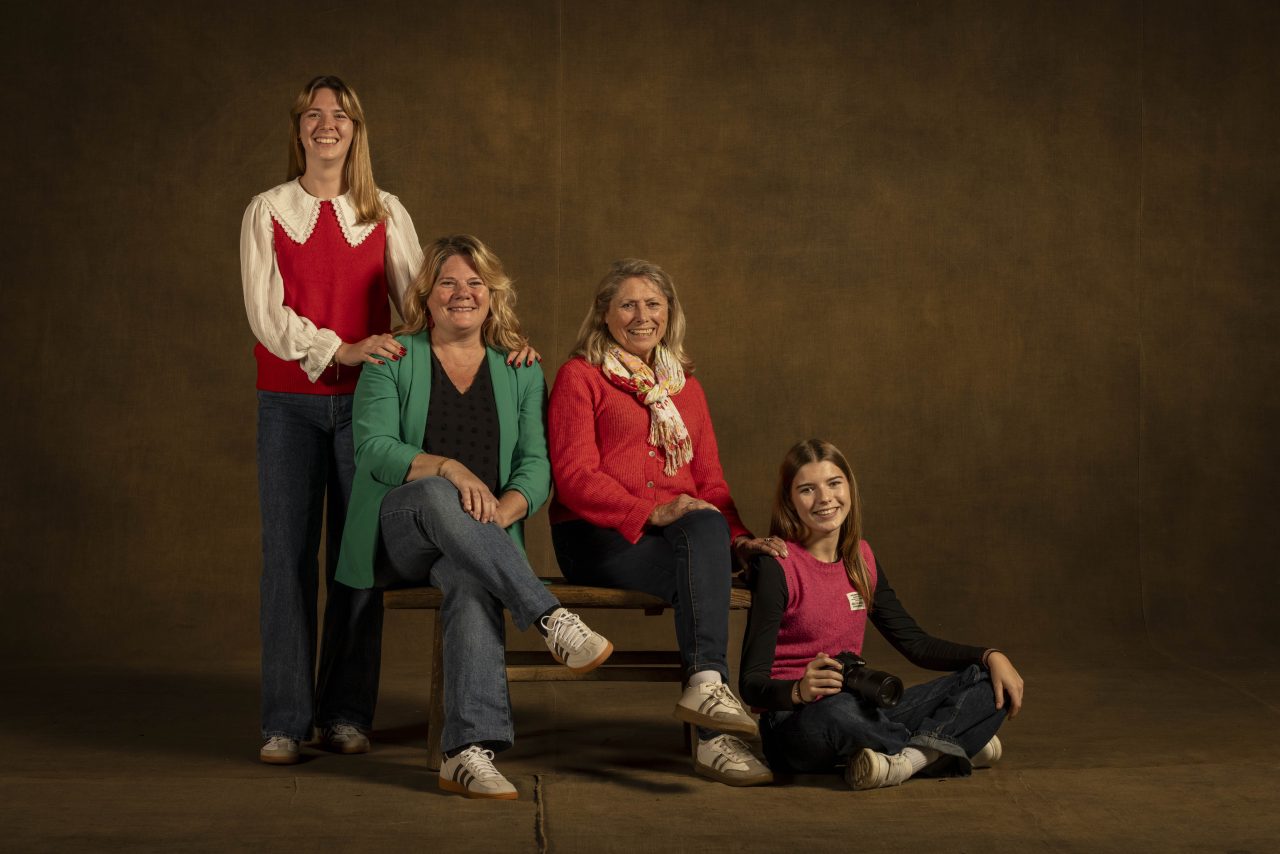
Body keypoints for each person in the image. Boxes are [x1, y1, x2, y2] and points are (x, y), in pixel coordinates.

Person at [334, 234, 613, 800]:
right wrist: (449, 468)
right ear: (426, 295)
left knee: (469, 578)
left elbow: (536, 465)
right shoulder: (392, 357)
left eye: (475, 282)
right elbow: (374, 449)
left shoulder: (520, 369)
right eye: (448, 282)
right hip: (402, 533)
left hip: (476, 542)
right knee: (439, 492)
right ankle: (549, 618)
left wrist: (506, 509)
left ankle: (465, 753)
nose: (462, 293)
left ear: (493, 294)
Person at [240, 75, 425, 766]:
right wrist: (340, 348)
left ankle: (345, 712)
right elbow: (266, 317)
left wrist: (500, 344)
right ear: (298, 129)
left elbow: (422, 307)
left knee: (358, 560)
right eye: (314, 114)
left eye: (340, 115)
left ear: (356, 130)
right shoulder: (267, 211)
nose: (326, 124)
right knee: (287, 560)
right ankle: (284, 721)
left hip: (369, 410)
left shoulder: (387, 212)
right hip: (287, 405)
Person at [547, 259, 781, 787]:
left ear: (669, 312)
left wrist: (741, 541)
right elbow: (574, 477)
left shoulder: (686, 387)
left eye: (653, 304)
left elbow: (711, 484)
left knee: (716, 533)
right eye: (627, 304)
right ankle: (714, 736)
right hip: (596, 538)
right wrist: (651, 510)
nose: (642, 316)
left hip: (676, 542)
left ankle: (711, 693)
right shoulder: (580, 376)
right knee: (700, 560)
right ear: (604, 314)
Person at [739, 439, 1025, 789]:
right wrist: (799, 690)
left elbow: (916, 644)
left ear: (849, 488)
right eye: (807, 489)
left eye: (833, 483)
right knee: (838, 711)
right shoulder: (778, 566)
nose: (825, 498)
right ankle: (947, 746)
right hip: (796, 723)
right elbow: (751, 685)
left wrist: (989, 655)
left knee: (989, 682)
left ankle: (912, 757)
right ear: (790, 500)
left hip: (863, 708)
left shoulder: (861, 559)